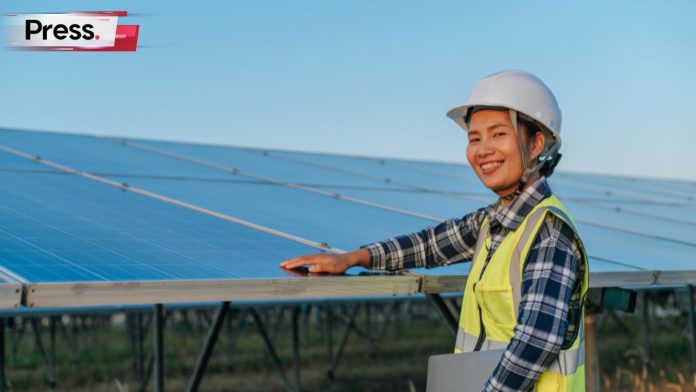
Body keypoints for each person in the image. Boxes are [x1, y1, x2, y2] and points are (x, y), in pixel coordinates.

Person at [280, 70, 588, 392]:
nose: (483, 150)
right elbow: (430, 245)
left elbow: (535, 344)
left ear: (536, 143)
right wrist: (356, 257)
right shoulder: (493, 222)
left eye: (498, 134)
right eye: (474, 138)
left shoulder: (548, 234)